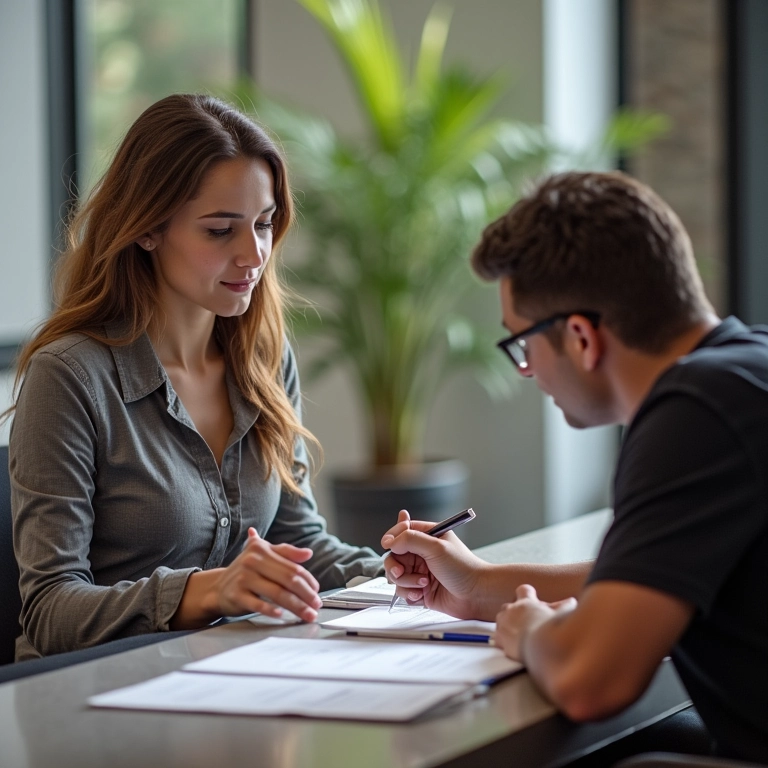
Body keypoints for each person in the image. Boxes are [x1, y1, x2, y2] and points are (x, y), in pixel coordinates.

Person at [381, 171, 768, 764]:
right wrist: (477, 588)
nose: (526, 371)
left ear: (583, 338)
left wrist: (534, 630)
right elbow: (651, 574)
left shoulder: (694, 412)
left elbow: (591, 681)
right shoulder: (746, 371)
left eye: (522, 345)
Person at [6, 93, 382, 661]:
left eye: (263, 224)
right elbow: (50, 609)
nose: (254, 254)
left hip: (228, 672)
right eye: (219, 231)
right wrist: (207, 590)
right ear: (148, 230)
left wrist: (396, 568)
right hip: (93, 698)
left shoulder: (264, 359)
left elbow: (299, 543)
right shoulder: (69, 377)